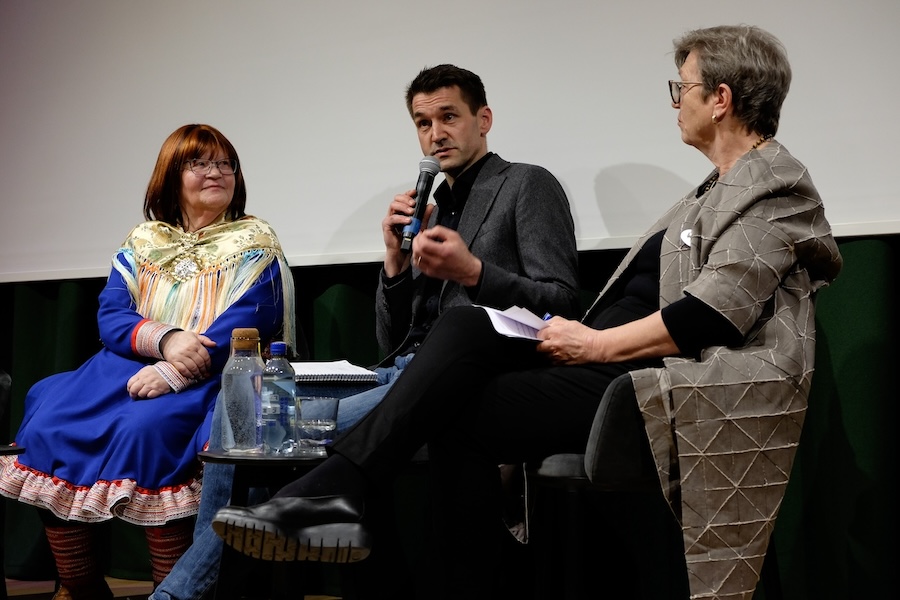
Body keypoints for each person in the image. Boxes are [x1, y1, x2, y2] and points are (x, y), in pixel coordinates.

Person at [213, 25, 845, 599]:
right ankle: (368, 518)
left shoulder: (775, 183)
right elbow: (400, 335)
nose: (674, 100)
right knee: (456, 396)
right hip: (600, 356)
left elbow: (713, 312)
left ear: (721, 98)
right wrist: (397, 264)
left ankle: (335, 488)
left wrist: (591, 343)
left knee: (462, 336)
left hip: (659, 375)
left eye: (681, 87)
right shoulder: (707, 191)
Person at [148, 64, 580, 600]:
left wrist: (475, 272)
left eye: (449, 117)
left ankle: (181, 593)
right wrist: (394, 261)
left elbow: (562, 302)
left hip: (464, 376)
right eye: (423, 123)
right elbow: (392, 339)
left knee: (269, 434)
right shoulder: (431, 204)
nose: (435, 133)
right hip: (399, 371)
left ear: (484, 118)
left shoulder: (525, 184)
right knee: (244, 409)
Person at [0, 124, 295, 600]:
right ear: (171, 176)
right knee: (49, 423)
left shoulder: (255, 240)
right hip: (123, 364)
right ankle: (80, 586)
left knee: (151, 432)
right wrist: (166, 339)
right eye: (199, 163)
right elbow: (112, 313)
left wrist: (175, 370)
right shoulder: (143, 240)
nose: (216, 172)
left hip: (217, 374)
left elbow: (253, 317)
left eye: (225, 164)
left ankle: (172, 588)